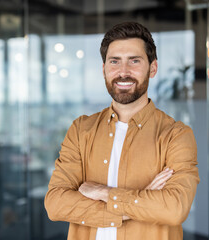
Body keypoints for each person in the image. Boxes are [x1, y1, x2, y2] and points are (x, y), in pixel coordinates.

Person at [44, 22, 200, 240]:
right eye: (114, 62)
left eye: (134, 61)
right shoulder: (81, 130)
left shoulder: (176, 135)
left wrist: (103, 193)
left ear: (152, 68)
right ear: (104, 69)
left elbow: (174, 209)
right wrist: (142, 201)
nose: (123, 72)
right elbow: (56, 204)